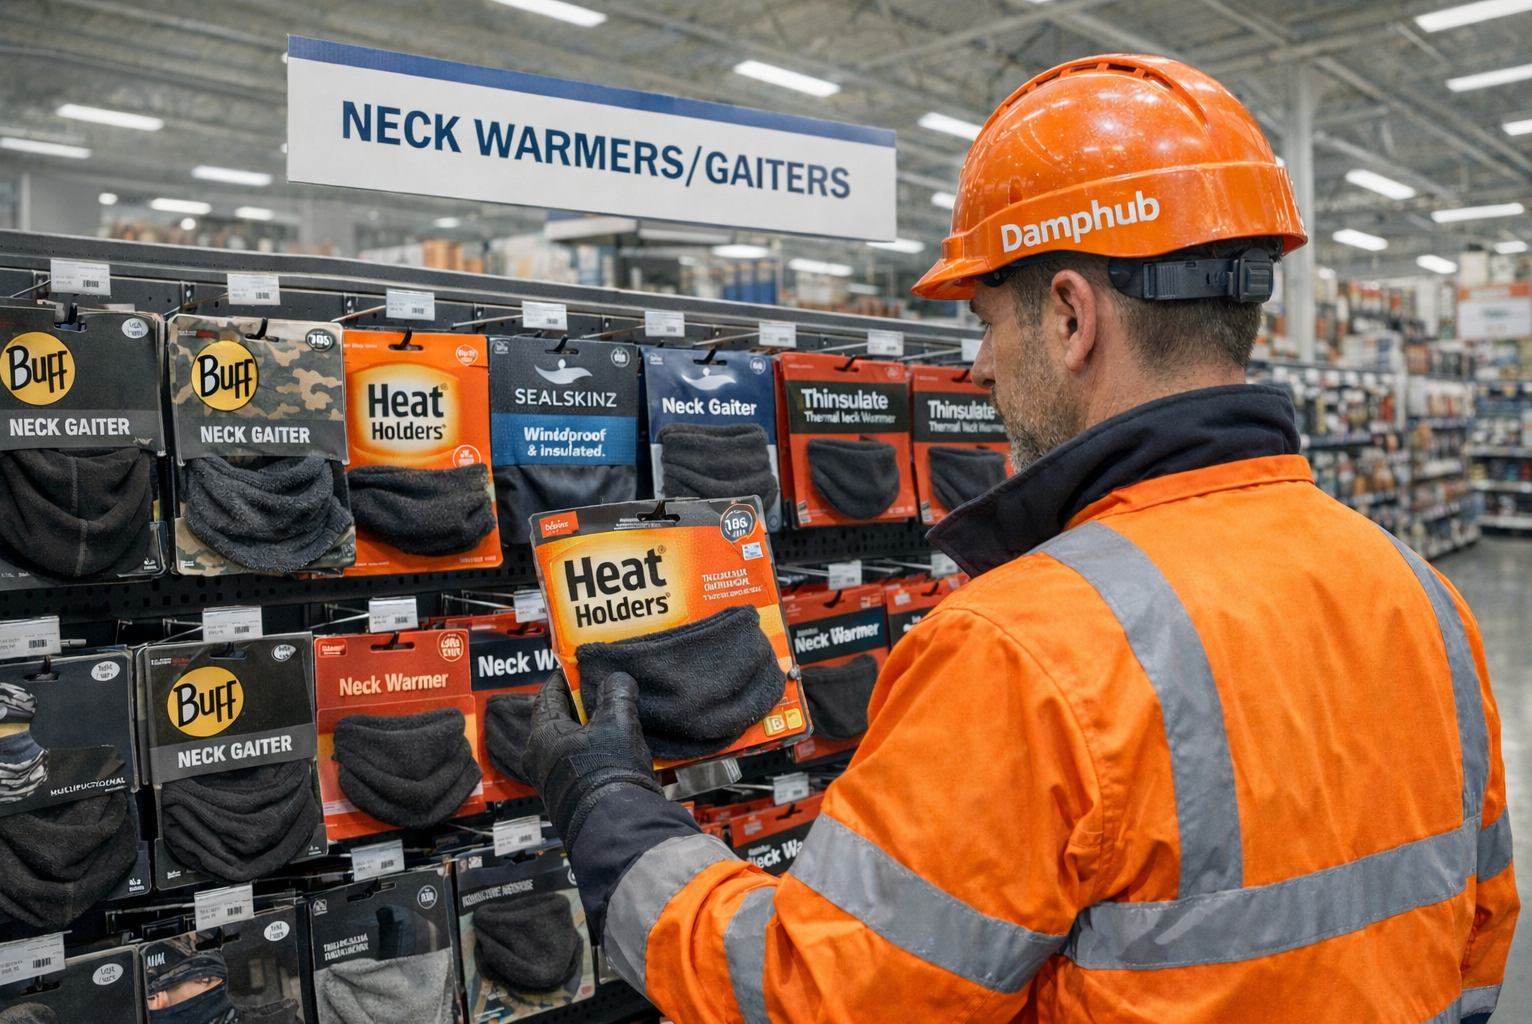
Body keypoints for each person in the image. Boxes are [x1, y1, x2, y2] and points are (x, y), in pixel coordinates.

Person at [525, 53, 1517, 1022]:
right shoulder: (1424, 597)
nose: (985, 372)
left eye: (989, 324)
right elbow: (1477, 940)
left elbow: (817, 994)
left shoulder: (1024, 648)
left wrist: (612, 812)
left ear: (1070, 316)